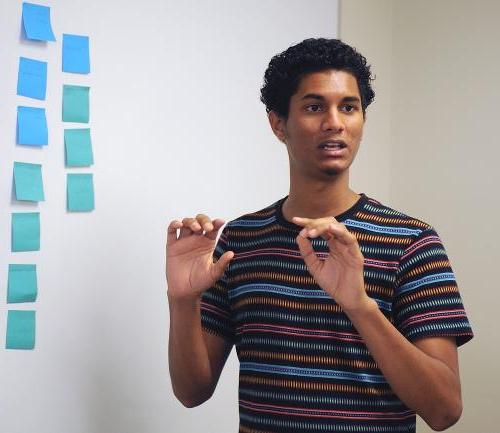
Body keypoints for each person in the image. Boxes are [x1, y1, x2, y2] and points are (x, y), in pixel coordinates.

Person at [166, 38, 473, 433]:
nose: (335, 122)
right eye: (314, 107)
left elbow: (445, 410)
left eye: (349, 107)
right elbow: (192, 392)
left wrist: (360, 306)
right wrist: (183, 301)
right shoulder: (239, 242)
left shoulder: (412, 242)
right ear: (279, 123)